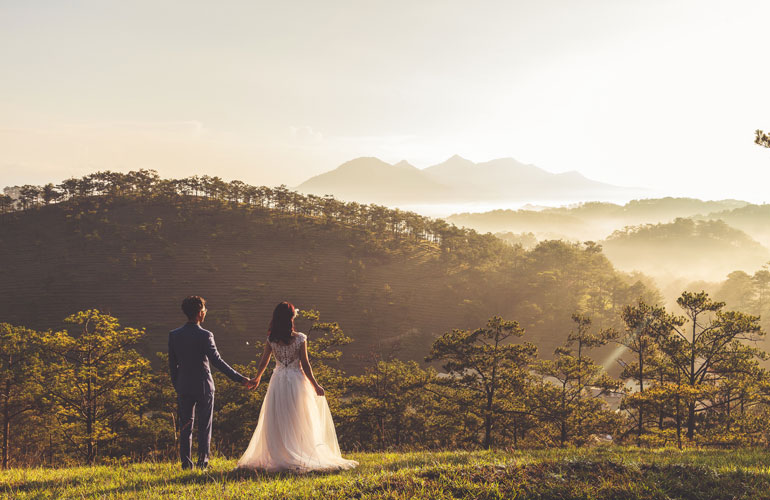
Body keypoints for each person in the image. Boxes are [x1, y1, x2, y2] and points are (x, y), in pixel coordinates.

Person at [237, 301, 358, 472]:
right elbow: (305, 364)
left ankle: (281, 453)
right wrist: (315, 385)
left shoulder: (271, 339)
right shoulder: (300, 338)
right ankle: (300, 451)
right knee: (299, 417)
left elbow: (264, 360)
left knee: (278, 418)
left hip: (278, 381)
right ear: (291, 318)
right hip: (296, 381)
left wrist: (257, 378)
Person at [168, 295, 256, 470]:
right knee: (204, 427)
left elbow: (172, 365)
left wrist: (178, 385)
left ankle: (186, 463)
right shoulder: (205, 335)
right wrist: (240, 378)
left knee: (185, 427)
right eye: (204, 310)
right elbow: (217, 362)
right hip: (203, 386)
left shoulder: (174, 335)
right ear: (200, 313)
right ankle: (203, 463)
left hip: (184, 386)